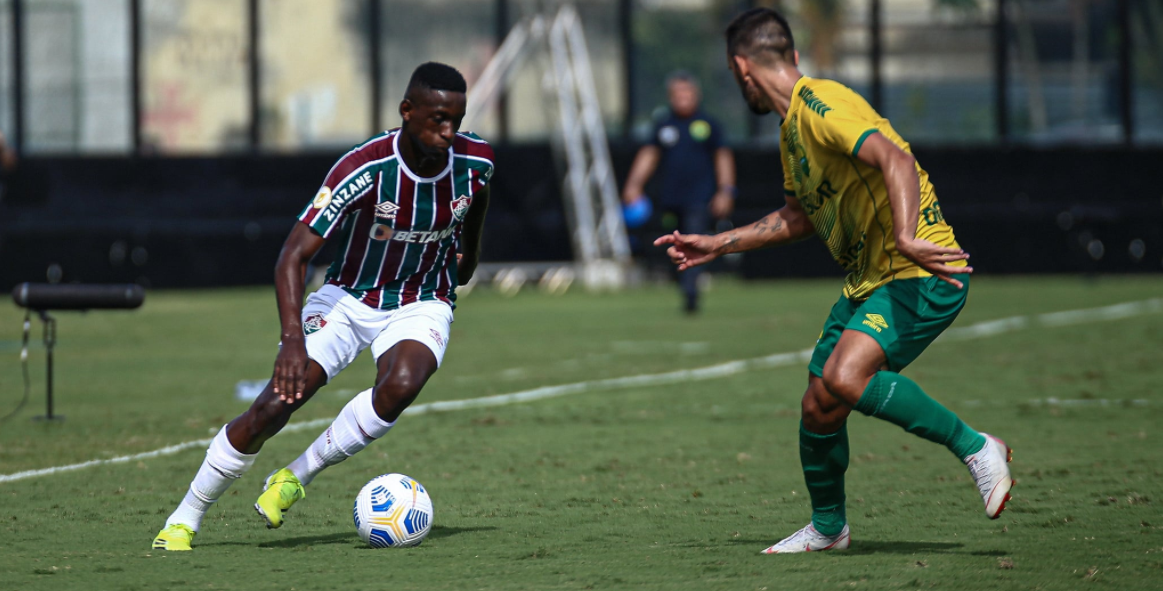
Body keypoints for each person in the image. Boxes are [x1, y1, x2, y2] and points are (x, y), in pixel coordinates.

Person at [655, 8, 1013, 554]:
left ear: (740, 69)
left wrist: (908, 233)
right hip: (872, 279)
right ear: (790, 55)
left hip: (921, 270)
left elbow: (892, 157)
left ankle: (977, 447)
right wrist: (718, 242)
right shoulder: (791, 132)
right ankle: (828, 528)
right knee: (819, 403)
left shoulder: (821, 103)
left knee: (845, 377)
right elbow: (797, 218)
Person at [152, 62, 494, 551]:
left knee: (400, 385)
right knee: (274, 406)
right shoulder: (364, 168)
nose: (448, 132)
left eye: (456, 120)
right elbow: (292, 256)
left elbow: (476, 205)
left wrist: (469, 257)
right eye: (438, 119)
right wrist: (292, 341)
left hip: (424, 297)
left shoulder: (476, 160)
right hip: (349, 298)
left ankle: (296, 477)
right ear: (406, 111)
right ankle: (184, 519)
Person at [623, 71, 736, 314]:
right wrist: (633, 185)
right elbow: (649, 156)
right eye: (678, 93)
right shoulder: (664, 125)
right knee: (672, 246)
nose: (683, 98)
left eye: (687, 92)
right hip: (670, 200)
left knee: (693, 243)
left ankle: (691, 292)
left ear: (696, 95)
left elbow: (722, 158)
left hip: (699, 199)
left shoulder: (708, 124)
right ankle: (685, 285)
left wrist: (725, 191)